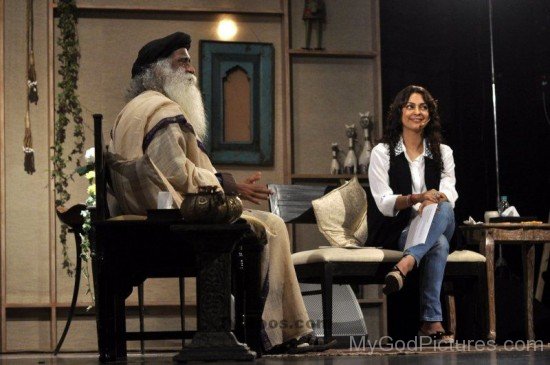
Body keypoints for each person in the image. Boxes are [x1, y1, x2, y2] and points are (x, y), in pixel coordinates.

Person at [106, 32, 330, 353]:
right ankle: (278, 335)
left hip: (143, 220)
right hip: (174, 225)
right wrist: (226, 185)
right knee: (274, 226)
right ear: (157, 71)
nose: (192, 70)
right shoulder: (163, 109)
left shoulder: (128, 112)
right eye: (182, 62)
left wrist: (224, 183)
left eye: (190, 62)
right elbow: (173, 171)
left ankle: (272, 331)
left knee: (263, 222)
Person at [367, 85, 458, 344]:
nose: (417, 112)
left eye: (423, 106)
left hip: (439, 219)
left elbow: (449, 192)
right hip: (400, 228)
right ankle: (431, 321)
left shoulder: (444, 152)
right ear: (399, 112)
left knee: (446, 208)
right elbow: (383, 202)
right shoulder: (382, 152)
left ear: (430, 114)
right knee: (438, 244)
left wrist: (434, 201)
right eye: (410, 106)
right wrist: (417, 199)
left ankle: (406, 264)